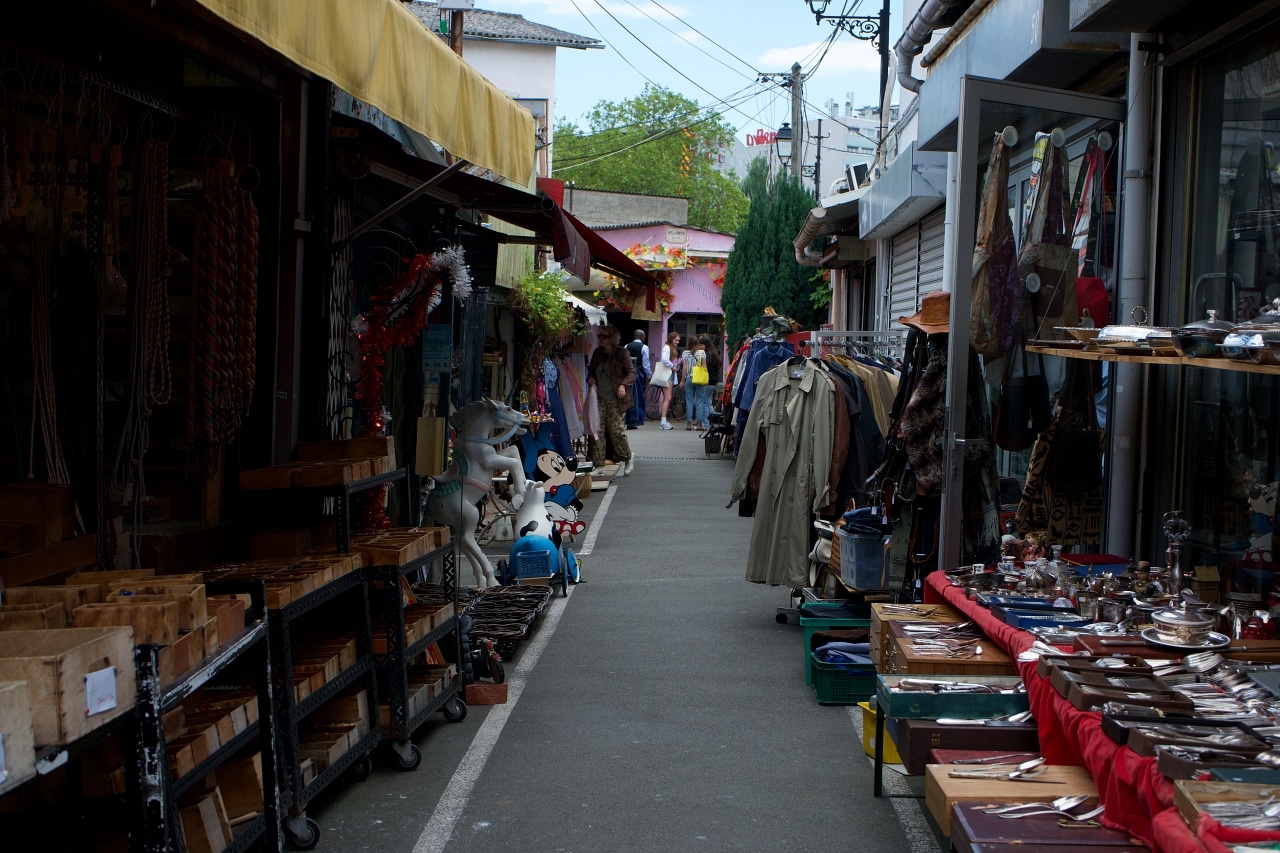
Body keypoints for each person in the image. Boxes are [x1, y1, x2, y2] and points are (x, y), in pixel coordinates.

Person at [586, 325, 636, 475]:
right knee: (597, 430)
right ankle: (599, 464)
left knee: (616, 431)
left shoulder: (621, 353)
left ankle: (627, 458)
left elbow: (632, 373)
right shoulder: (597, 353)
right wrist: (590, 379)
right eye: (599, 336)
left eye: (604, 336)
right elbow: (591, 372)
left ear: (612, 338)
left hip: (616, 399)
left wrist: (623, 385)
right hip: (599, 398)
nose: (600, 338)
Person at [693, 334, 721, 430]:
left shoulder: (707, 355)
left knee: (704, 402)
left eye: (701, 345)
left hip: (707, 381)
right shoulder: (715, 354)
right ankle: (712, 422)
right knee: (708, 402)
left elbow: (705, 369)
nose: (699, 347)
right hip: (714, 381)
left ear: (705, 345)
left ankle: (706, 422)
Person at [624, 329, 649, 429]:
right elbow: (646, 364)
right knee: (637, 397)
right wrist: (649, 375)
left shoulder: (627, 346)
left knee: (629, 396)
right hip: (638, 373)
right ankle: (635, 420)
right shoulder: (644, 347)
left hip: (628, 373)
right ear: (642, 337)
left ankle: (629, 419)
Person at [657, 331, 680, 430]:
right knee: (668, 398)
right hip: (668, 375)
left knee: (667, 398)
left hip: (668, 375)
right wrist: (673, 367)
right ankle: (663, 421)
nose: (677, 342)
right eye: (676, 340)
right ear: (671, 339)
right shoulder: (667, 348)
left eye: (678, 340)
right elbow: (664, 360)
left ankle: (664, 420)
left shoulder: (669, 348)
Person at [680, 339, 697, 428]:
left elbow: (684, 368)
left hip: (689, 378)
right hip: (699, 378)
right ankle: (699, 423)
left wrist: (682, 381)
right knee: (699, 401)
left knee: (689, 401)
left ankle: (688, 423)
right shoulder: (700, 353)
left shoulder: (685, 353)